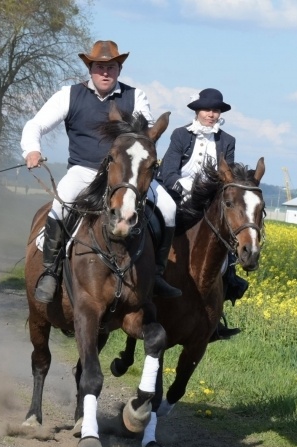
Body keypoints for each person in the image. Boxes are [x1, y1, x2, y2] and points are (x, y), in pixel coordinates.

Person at [20, 40, 180, 303]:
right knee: (59, 206)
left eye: (112, 67)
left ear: (119, 69)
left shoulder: (136, 96)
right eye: (100, 67)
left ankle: (158, 273)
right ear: (90, 68)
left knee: (169, 208)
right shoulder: (69, 95)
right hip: (84, 171)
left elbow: (145, 132)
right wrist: (32, 150)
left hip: (127, 175)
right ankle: (51, 271)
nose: (105, 72)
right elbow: (35, 125)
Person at [157, 88, 246, 339]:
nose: (211, 114)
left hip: (208, 202)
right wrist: (188, 189)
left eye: (216, 110)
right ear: (198, 111)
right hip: (177, 194)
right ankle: (150, 278)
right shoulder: (180, 135)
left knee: (227, 238)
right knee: (157, 222)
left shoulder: (227, 141)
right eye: (208, 109)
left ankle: (221, 301)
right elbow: (168, 172)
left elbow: (226, 177)